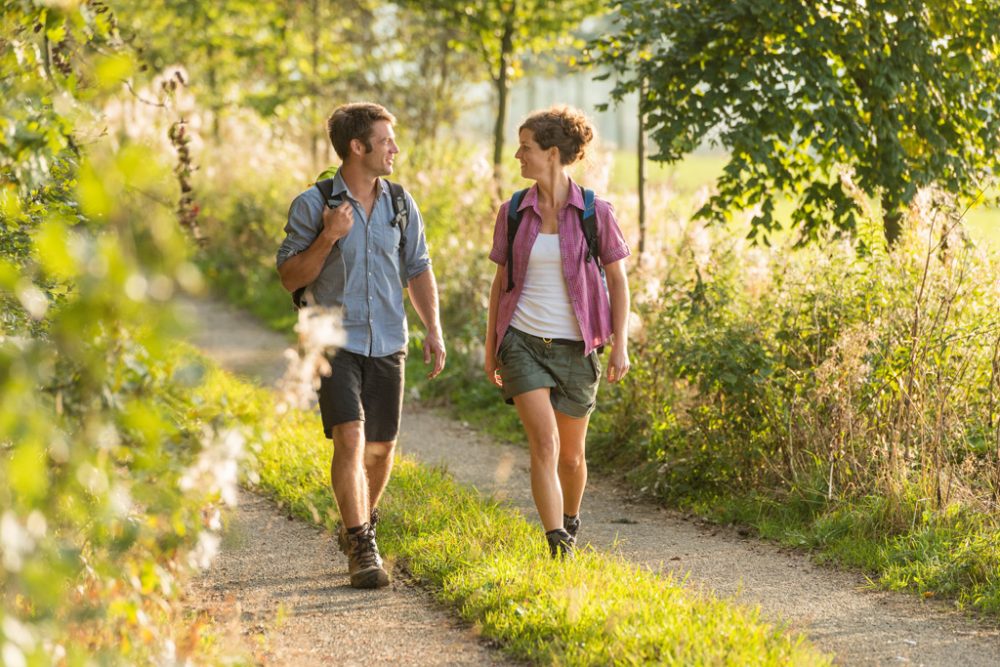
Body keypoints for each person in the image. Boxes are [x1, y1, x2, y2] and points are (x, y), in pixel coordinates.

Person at [276, 102, 446, 589]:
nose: (395, 148)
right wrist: (328, 238)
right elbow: (289, 276)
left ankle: (358, 525)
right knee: (350, 437)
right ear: (358, 146)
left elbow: (418, 268)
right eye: (387, 139)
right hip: (333, 338)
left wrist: (433, 327)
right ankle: (362, 544)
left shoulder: (399, 203)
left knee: (380, 447)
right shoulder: (314, 205)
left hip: (389, 338)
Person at [485, 106, 631, 558]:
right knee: (544, 443)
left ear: (551, 154)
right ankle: (556, 543)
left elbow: (618, 280)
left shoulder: (595, 212)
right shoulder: (512, 211)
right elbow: (499, 282)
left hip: (577, 349)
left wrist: (620, 343)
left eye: (525, 148)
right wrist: (492, 348)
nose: (517, 156)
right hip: (522, 343)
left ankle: (569, 520)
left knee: (571, 457)